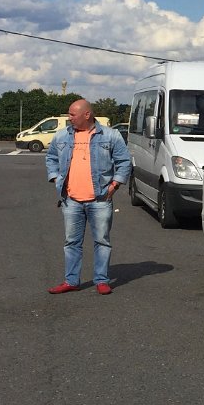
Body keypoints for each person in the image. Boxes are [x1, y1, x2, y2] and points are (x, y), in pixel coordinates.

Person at [45, 99, 132, 295]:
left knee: (102, 241)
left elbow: (124, 161)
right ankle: (71, 281)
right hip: (71, 200)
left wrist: (114, 185)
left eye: (72, 115)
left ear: (87, 115)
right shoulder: (62, 137)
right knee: (71, 242)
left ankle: (101, 280)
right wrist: (55, 178)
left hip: (100, 200)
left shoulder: (110, 135)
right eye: (69, 114)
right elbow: (50, 157)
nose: (69, 118)